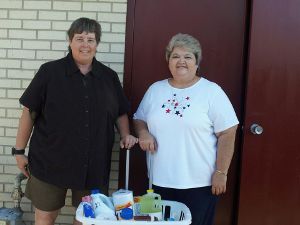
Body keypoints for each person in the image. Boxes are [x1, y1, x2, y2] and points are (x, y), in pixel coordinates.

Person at [13, 17, 138, 225]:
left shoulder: (108, 77)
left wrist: (125, 134)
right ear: (70, 41)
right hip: (49, 162)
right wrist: (19, 151)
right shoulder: (49, 72)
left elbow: (120, 112)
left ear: (97, 43)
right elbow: (29, 111)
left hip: (93, 164)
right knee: (45, 215)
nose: (85, 44)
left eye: (91, 39)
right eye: (79, 38)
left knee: (87, 218)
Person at [133, 33, 239, 225]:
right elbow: (139, 119)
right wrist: (143, 132)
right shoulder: (155, 90)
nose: (181, 61)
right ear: (168, 61)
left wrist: (221, 172)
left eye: (188, 57)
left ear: (197, 62)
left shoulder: (211, 91)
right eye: (175, 56)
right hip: (158, 182)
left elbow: (228, 132)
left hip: (200, 184)